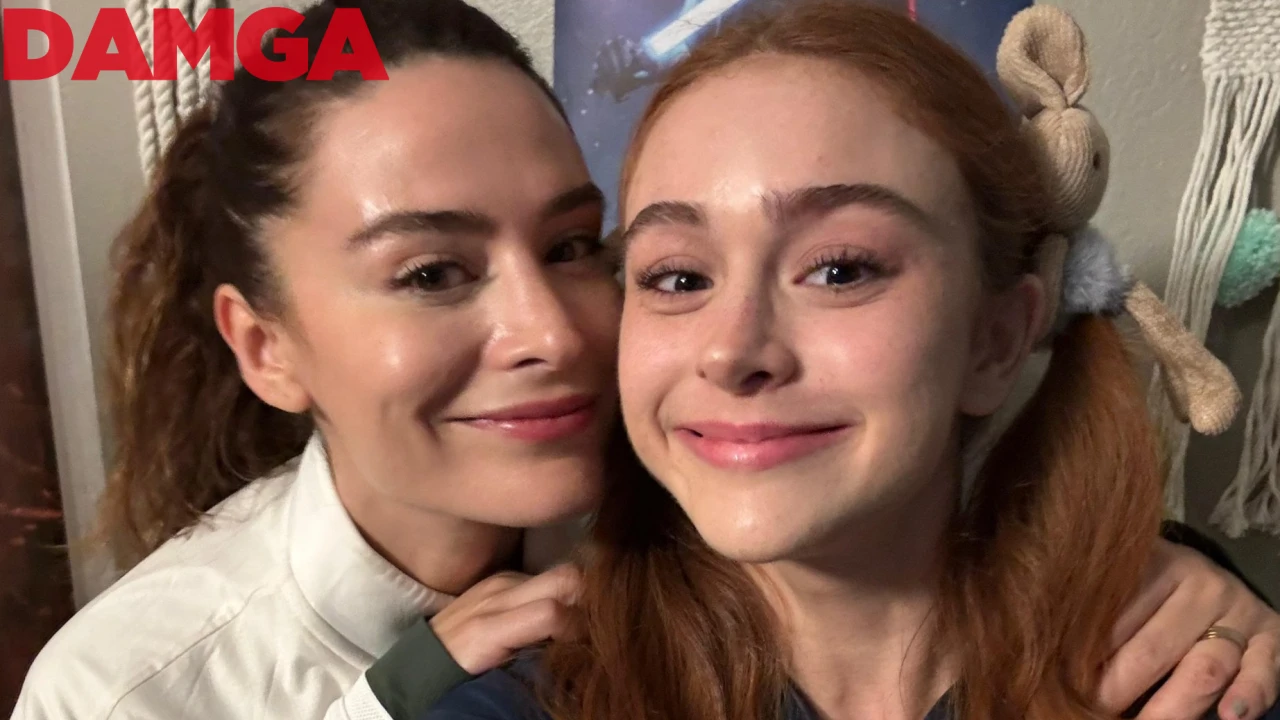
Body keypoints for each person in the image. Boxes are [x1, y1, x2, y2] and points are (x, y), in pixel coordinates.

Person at [10, 1, 1278, 720]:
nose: (557, 332)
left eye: (578, 248)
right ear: (264, 346)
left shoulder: (701, 469)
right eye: (432, 272)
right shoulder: (129, 690)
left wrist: (1180, 580)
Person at [421, 2, 1280, 720]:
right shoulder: (516, 704)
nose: (732, 351)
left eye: (840, 270)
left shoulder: (1196, 678)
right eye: (678, 278)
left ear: (996, 339)